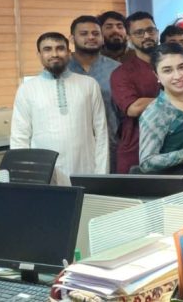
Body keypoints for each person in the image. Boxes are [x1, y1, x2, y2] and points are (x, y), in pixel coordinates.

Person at [10, 32, 107, 185]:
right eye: (47, 49)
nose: (54, 54)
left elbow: (101, 133)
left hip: (85, 170)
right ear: (39, 55)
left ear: (69, 52)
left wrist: (101, 175)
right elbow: (19, 137)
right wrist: (25, 179)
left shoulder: (89, 84)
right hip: (44, 175)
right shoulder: (27, 89)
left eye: (60, 48)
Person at [138, 44, 183, 173]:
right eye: (168, 70)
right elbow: (146, 163)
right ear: (157, 75)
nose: (178, 76)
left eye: (182, 67)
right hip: (172, 182)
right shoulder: (156, 112)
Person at [67, 15, 121, 172]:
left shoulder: (117, 69)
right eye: (84, 34)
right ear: (72, 39)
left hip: (111, 145)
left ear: (102, 38)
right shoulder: (61, 69)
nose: (91, 37)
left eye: (96, 33)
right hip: (72, 147)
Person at [110, 11, 161, 173]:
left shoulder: (176, 64)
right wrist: (175, 98)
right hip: (136, 149)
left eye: (151, 30)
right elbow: (134, 108)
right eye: (139, 33)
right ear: (129, 38)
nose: (147, 36)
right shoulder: (122, 73)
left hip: (176, 146)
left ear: (157, 32)